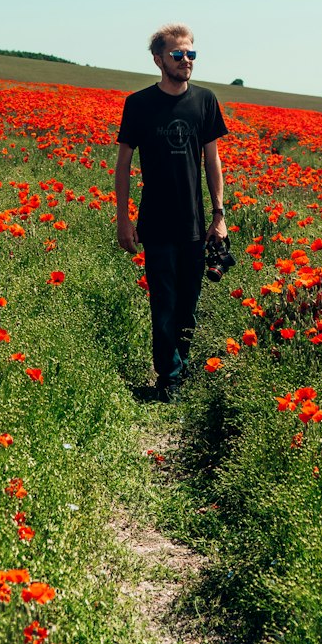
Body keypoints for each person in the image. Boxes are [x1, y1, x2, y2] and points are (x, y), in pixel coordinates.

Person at [115, 23, 228, 402]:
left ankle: (179, 366)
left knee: (188, 305)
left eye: (191, 54)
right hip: (157, 222)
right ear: (159, 60)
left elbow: (212, 161)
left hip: (195, 223)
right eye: (178, 55)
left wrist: (219, 214)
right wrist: (123, 219)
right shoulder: (139, 104)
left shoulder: (205, 101)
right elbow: (123, 164)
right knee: (163, 303)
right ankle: (170, 379)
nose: (186, 61)